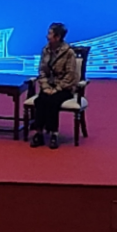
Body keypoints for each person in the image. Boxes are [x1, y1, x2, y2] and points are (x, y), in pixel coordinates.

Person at [30, 22, 80, 150]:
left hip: (64, 88)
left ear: (57, 37)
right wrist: (45, 86)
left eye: (50, 34)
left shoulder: (68, 52)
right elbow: (42, 71)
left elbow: (71, 75)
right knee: (40, 100)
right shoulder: (45, 50)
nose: (47, 36)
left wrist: (57, 88)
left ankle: (54, 134)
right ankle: (39, 133)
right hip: (48, 86)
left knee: (52, 101)